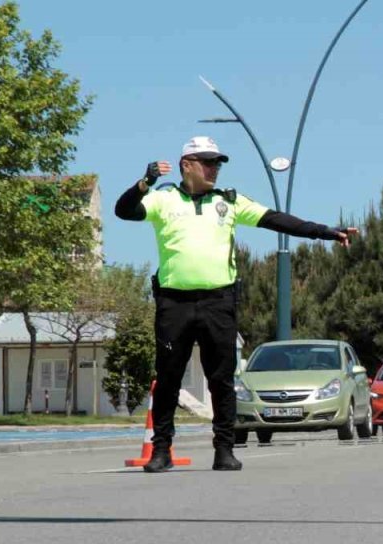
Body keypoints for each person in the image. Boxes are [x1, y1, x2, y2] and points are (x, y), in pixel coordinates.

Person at [114, 136, 355, 473]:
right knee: (168, 379)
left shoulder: (228, 201)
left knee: (222, 380)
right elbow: (123, 211)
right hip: (174, 303)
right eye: (207, 162)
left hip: (218, 301)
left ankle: (224, 449)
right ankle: (161, 450)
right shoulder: (163, 198)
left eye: (218, 163)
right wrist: (145, 182)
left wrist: (325, 232)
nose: (214, 169)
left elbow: (277, 220)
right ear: (186, 165)